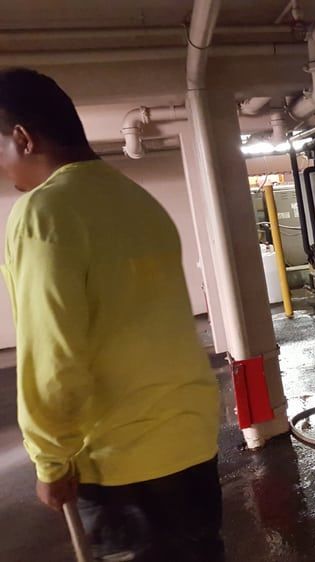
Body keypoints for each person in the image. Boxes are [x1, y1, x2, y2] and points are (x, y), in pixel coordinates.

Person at [0, 68, 223, 561]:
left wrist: (50, 461)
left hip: (121, 463)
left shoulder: (43, 213)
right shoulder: (137, 201)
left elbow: (52, 354)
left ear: (22, 138)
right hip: (190, 444)